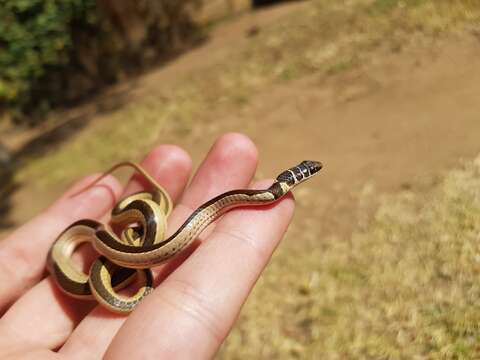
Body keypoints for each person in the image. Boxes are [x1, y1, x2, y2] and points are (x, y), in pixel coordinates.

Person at [0, 133, 296, 359]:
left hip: (125, 236)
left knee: (128, 234)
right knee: (113, 237)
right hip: (104, 245)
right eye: (303, 173)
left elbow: (238, 201)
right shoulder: (107, 237)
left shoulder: (268, 195)